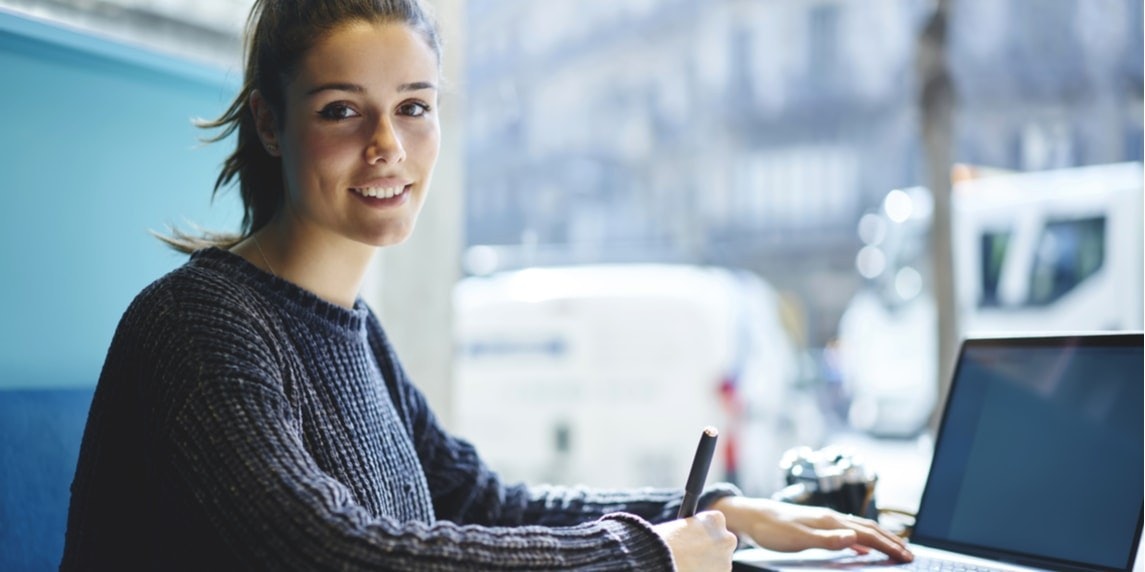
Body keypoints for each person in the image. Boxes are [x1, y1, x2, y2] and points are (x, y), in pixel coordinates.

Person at [60, 0, 914, 570]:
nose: (387, 146)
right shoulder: (196, 325)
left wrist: (725, 510)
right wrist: (645, 556)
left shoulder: (349, 328)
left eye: (414, 106)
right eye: (341, 110)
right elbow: (336, 553)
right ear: (270, 125)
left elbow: (480, 500)